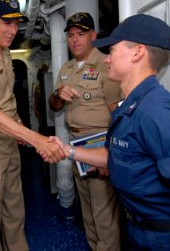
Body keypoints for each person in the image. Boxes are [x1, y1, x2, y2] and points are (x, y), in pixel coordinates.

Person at [53, 14, 170, 250]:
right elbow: (115, 155)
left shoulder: (158, 112)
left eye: (112, 51)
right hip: (138, 230)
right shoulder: (132, 106)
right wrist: (67, 150)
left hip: (162, 238)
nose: (107, 59)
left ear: (137, 52)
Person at [0, 0, 65, 250]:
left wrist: (17, 120)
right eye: (7, 22)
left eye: (16, 23)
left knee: (14, 209)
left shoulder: (5, 54)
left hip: (8, 139)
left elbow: (4, 98)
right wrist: (35, 139)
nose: (13, 29)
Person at [48, 12, 122, 250]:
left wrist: (109, 155)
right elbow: (54, 105)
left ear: (92, 35)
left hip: (99, 145)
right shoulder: (67, 69)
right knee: (87, 209)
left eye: (81, 34)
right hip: (76, 145)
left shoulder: (105, 65)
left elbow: (116, 113)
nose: (75, 40)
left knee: (104, 213)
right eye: (70, 35)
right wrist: (58, 95)